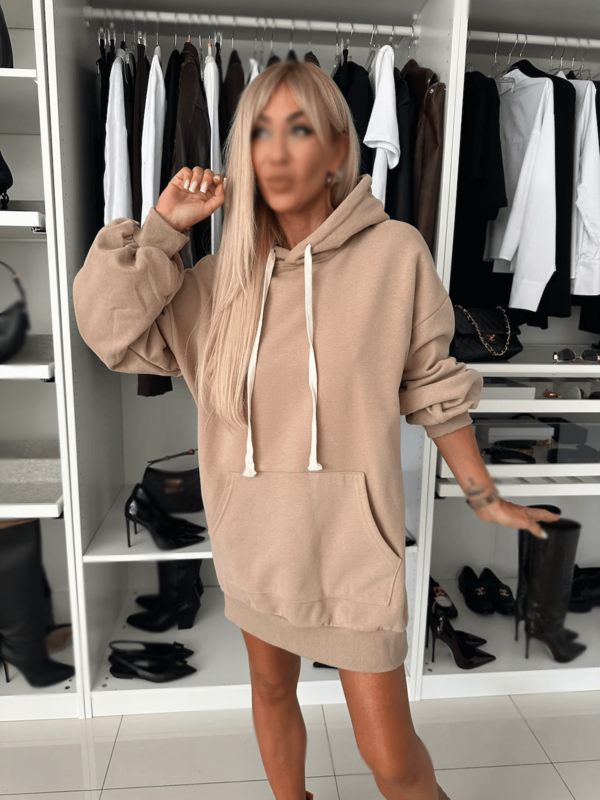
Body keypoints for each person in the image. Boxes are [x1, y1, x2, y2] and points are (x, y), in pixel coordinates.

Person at [73, 61, 559, 800]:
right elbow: (107, 331)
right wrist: (165, 229)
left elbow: (432, 386)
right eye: (259, 133)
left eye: (297, 129)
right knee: (272, 693)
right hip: (254, 540)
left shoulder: (395, 254)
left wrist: (485, 496)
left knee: (392, 760)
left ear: (338, 149)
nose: (275, 151)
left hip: (352, 550)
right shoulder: (215, 282)